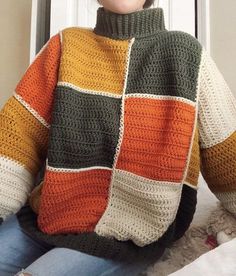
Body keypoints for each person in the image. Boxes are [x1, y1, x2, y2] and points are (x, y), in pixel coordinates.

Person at [0, 0, 236, 275]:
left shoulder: (187, 55)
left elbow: (226, 152)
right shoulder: (64, 46)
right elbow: (16, 137)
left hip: (130, 235)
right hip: (48, 217)